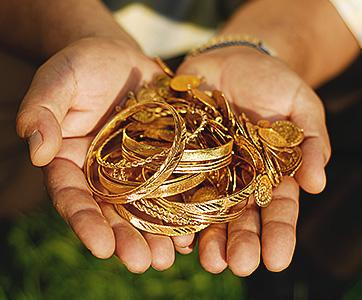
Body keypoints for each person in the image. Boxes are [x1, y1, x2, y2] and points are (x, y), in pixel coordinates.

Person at [0, 0, 360, 277]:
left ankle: (312, 275)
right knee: (20, 183)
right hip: (59, 34)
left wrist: (259, 47)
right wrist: (80, 32)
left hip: (274, 23)